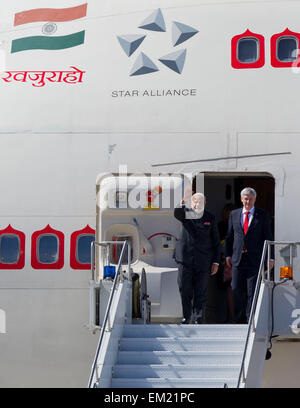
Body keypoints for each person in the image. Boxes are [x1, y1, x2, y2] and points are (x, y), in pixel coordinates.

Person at [225, 187, 274, 323]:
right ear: (241, 199)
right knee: (235, 289)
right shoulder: (234, 214)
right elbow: (229, 236)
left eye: (251, 199)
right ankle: (239, 318)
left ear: (255, 200)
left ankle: (249, 319)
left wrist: (270, 257)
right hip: (237, 259)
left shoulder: (262, 215)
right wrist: (228, 255)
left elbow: (268, 236)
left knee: (252, 290)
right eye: (246, 199)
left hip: (254, 259)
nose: (248, 201)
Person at [174, 192, 221, 324]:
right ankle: (187, 317)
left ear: (204, 204)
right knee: (184, 289)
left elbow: (216, 242)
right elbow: (177, 213)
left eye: (200, 202)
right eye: (194, 201)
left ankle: (198, 319)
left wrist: (216, 262)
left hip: (203, 261)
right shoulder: (186, 214)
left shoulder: (210, 217)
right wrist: (183, 201)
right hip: (185, 260)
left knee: (201, 292)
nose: (197, 204)